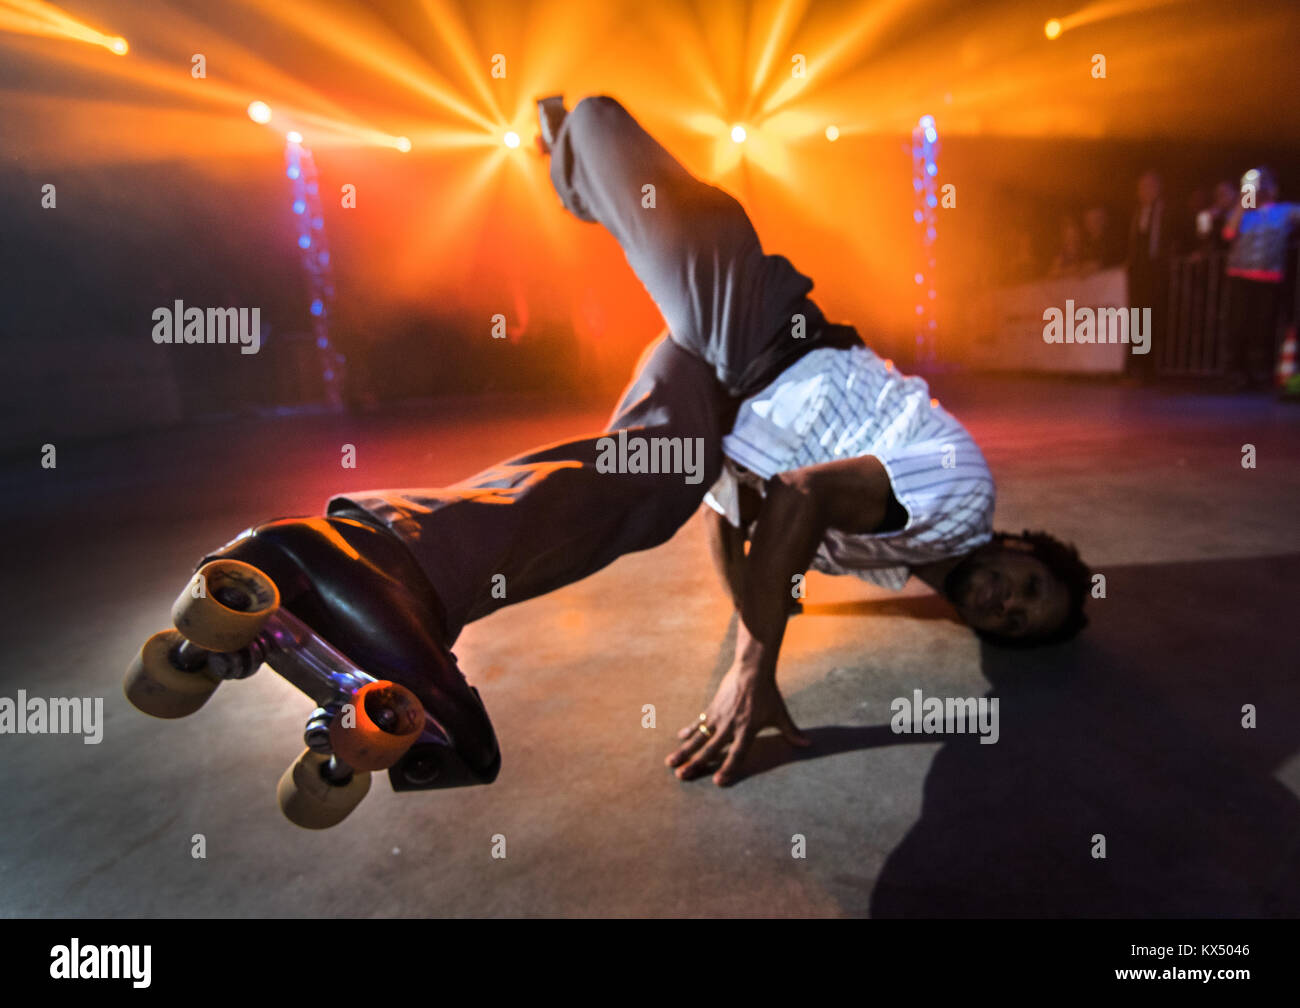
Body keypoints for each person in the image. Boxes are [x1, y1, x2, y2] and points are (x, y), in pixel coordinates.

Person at [193, 95, 1091, 791]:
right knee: (645, 185)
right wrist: (753, 665)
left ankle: (394, 567)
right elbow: (802, 499)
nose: (1006, 602)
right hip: (765, 329)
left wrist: (730, 540)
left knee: (653, 487)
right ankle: (574, 132)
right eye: (1028, 586)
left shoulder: (892, 565)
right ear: (1021, 546)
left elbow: (743, 525)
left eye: (1014, 622)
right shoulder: (963, 496)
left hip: (713, 398)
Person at [1221, 166, 1300, 391]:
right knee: (1238, 326)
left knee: (1262, 327)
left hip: (1268, 279)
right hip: (1240, 277)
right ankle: (1236, 372)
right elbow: (1227, 233)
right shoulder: (1242, 213)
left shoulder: (1284, 211)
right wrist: (1241, 203)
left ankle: (1259, 372)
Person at [1126, 171, 1172, 382]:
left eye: (1149, 186)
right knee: (1137, 317)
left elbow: (1174, 237)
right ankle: (1137, 364)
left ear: (1158, 188)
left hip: (1157, 271)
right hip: (1139, 272)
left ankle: (1150, 366)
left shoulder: (1166, 211)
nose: (1144, 191)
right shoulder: (1136, 213)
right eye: (1141, 187)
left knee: (1152, 318)